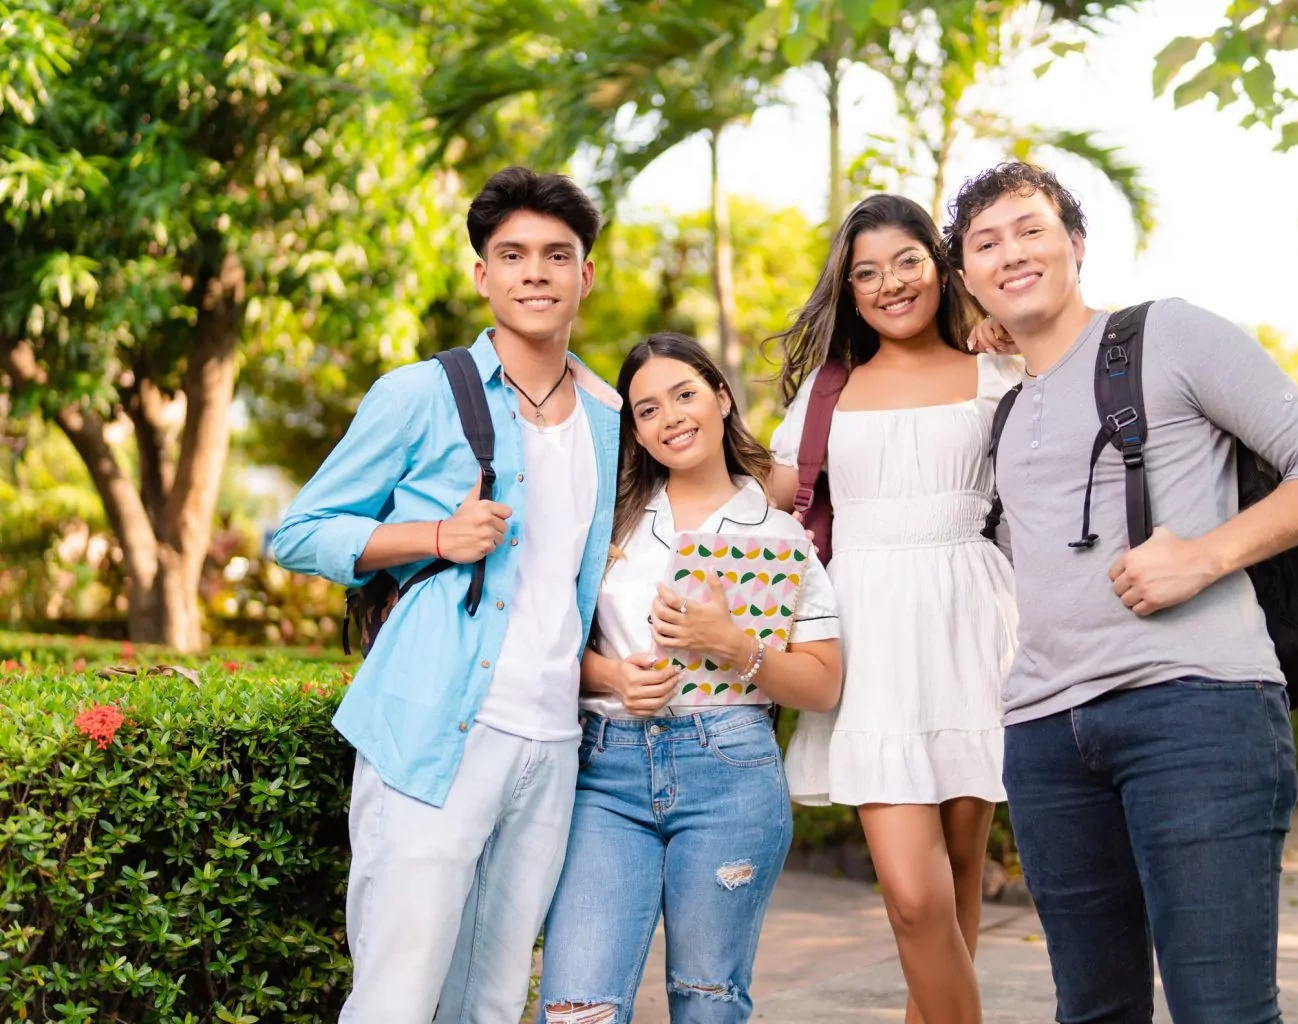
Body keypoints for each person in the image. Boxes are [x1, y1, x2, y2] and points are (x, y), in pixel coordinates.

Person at [951, 161, 1298, 1024]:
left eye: (1031, 229)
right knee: (1094, 1013)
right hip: (1043, 736)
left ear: (1076, 245)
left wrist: (1208, 555)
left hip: (1195, 714)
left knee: (1220, 1009)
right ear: (968, 281)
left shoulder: (1167, 335)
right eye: (985, 243)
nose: (1011, 253)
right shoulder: (999, 405)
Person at [270, 167, 621, 1023]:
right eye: (511, 255)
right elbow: (297, 531)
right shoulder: (420, 393)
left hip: (551, 742)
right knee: (397, 997)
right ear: (482, 276)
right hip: (437, 728)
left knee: (493, 1002)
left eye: (555, 254)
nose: (534, 272)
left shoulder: (611, 417)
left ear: (586, 275)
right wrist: (434, 537)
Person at [765, 193, 1019, 1024]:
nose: (890, 283)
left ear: (941, 268)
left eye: (908, 261)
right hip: (869, 634)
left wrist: (1011, 327)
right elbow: (759, 494)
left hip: (973, 623)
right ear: (850, 289)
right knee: (914, 901)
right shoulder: (828, 394)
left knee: (956, 881)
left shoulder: (1000, 373)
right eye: (866, 272)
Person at [538, 332, 843, 1024]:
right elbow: (544, 644)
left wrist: (735, 647)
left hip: (730, 772)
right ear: (636, 434)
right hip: (605, 773)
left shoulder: (778, 535)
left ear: (721, 398)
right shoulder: (604, 526)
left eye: (684, 395)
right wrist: (611, 676)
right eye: (647, 410)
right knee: (574, 1005)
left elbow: (824, 683)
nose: (671, 417)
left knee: (709, 1001)